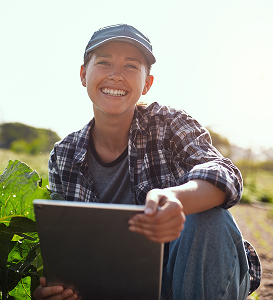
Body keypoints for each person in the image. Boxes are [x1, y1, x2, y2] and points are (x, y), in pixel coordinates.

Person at [33, 24, 261, 300]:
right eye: (104, 62)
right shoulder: (65, 154)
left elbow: (224, 172)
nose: (116, 75)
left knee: (207, 218)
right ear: (83, 74)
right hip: (114, 285)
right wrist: (56, 290)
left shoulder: (170, 123)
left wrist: (175, 199)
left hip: (183, 280)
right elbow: (64, 245)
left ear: (147, 84)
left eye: (131, 66)